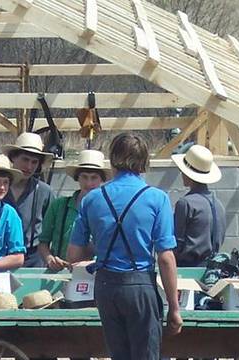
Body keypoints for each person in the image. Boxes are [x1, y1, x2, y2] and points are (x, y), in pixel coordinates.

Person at [67, 133, 182, 360]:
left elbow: (73, 254)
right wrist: (174, 308)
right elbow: (165, 257)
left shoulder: (91, 199)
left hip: (106, 287)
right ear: (144, 161)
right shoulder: (157, 198)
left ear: (112, 159)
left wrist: (102, 245)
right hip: (140, 284)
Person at [38, 150, 110, 271]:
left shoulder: (109, 210)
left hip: (96, 273)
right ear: (77, 178)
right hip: (60, 273)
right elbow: (43, 242)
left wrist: (94, 263)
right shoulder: (59, 205)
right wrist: (50, 259)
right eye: (84, 177)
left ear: (101, 180)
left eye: (94, 178)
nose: (89, 183)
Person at [1, 133, 56, 267]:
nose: (29, 166)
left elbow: (52, 228)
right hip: (1, 256)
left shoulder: (45, 192)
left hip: (34, 259)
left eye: (34, 162)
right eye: (25, 160)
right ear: (13, 158)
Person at [171, 145, 226, 267]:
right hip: (213, 267)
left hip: (187, 267)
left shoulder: (185, 203)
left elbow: (177, 242)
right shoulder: (218, 204)